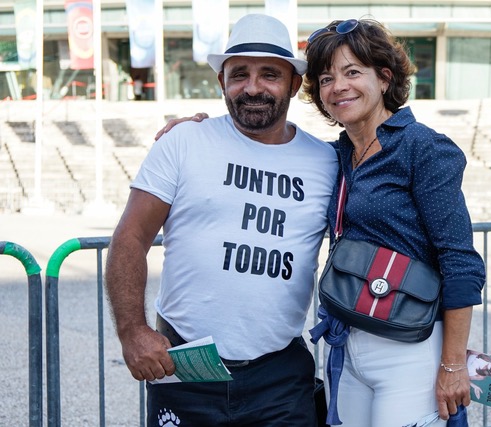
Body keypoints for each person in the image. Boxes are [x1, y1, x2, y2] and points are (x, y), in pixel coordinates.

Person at [157, 17, 486, 427]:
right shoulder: (336, 156)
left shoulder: (424, 148)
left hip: (409, 346)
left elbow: (461, 262)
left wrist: (453, 365)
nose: (338, 87)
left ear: (384, 78)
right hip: (346, 344)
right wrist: (199, 128)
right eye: (327, 78)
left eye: (352, 72)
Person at [104, 13, 337, 426]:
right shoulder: (184, 142)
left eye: (269, 74)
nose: (252, 88)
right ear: (221, 82)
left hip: (279, 376)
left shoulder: (326, 162)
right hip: (186, 370)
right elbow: (130, 238)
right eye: (238, 74)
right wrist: (132, 331)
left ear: (294, 84)